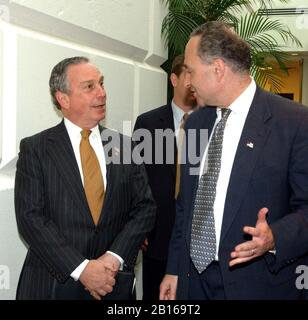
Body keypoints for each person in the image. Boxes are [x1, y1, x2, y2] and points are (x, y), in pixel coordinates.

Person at [160, 21, 308, 300]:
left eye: (190, 71)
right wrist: (175, 270)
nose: (187, 82)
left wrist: (275, 236)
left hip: (258, 285)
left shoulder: (295, 123)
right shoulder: (196, 125)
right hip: (195, 284)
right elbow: (186, 208)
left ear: (217, 69)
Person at [15, 56, 156, 300]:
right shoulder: (36, 148)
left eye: (101, 84)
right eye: (89, 86)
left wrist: (113, 258)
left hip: (112, 285)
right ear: (63, 98)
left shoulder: (126, 146)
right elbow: (30, 218)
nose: (102, 93)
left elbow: (145, 208)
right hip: (51, 284)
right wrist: (82, 269)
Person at [133, 55, 197, 299]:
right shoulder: (147, 123)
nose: (193, 83)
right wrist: (138, 228)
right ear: (174, 79)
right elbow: (137, 181)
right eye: (188, 75)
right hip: (156, 238)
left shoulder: (213, 123)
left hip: (197, 239)